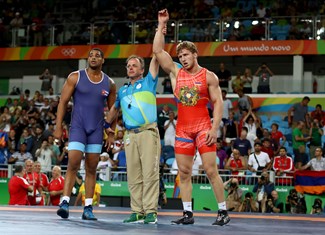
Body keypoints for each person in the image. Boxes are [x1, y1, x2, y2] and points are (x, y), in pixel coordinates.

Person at [153, 9, 230, 226]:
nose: (183, 59)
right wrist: (161, 25)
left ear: (195, 54)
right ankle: (188, 213)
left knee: (210, 170)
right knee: (184, 172)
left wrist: (215, 129)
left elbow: (218, 103)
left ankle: (223, 211)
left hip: (203, 127)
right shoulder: (177, 73)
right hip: (183, 129)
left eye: (186, 55)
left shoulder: (209, 76)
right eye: (180, 56)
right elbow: (157, 50)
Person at [54, 48, 116, 220]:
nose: (94, 57)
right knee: (73, 162)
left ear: (103, 60)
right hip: (78, 127)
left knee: (91, 168)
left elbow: (113, 110)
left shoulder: (109, 83)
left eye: (98, 55)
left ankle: (88, 207)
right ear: (88, 59)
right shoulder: (75, 76)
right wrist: (58, 127)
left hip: (96, 130)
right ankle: (65, 202)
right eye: (91, 55)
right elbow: (63, 102)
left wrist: (111, 132)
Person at [105, 49, 163, 222]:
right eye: (128, 66)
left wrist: (160, 28)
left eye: (134, 66)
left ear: (142, 70)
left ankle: (151, 211)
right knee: (133, 174)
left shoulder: (149, 82)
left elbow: (157, 54)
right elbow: (114, 110)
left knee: (150, 173)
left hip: (147, 132)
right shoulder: (122, 91)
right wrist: (106, 127)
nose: (130, 68)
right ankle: (137, 211)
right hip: (129, 135)